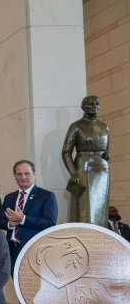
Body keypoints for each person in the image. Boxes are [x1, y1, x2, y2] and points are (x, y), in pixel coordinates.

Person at [0, 160, 58, 304]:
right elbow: (0, 220)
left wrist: (22, 219)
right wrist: (10, 224)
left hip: (34, 252)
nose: (23, 177)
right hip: (14, 249)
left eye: (26, 174)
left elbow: (49, 222)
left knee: (34, 292)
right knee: (22, 291)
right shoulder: (10, 197)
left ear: (34, 174)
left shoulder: (46, 196)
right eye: (19, 174)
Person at [62, 95, 110, 226]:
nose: (94, 106)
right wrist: (74, 173)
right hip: (83, 168)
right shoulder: (76, 126)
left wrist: (106, 156)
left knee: (101, 204)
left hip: (102, 170)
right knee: (84, 208)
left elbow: (107, 150)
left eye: (97, 104)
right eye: (90, 104)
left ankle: (100, 233)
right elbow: (66, 152)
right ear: (83, 107)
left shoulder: (105, 127)